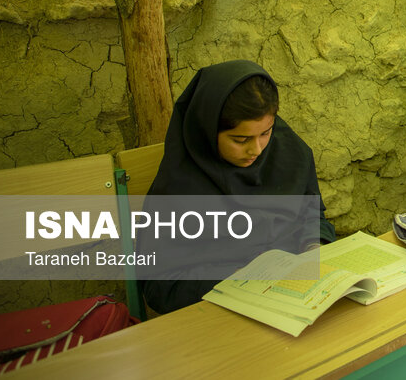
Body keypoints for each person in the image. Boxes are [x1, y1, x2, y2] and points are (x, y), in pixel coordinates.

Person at [141, 60, 335, 314]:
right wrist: (232, 278)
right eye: (240, 139)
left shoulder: (289, 154)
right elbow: (160, 288)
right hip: (217, 314)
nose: (256, 150)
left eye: (266, 133)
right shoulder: (178, 190)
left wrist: (314, 247)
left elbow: (311, 215)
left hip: (294, 301)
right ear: (208, 131)